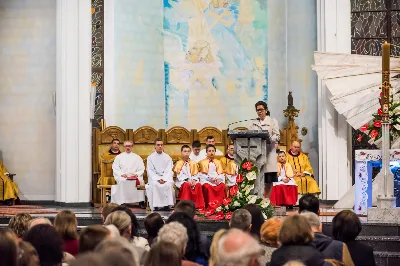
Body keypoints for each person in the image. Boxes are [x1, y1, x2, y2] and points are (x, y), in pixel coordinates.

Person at [248, 101, 280, 198]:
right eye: (258, 110)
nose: (259, 112)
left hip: (269, 151)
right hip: (257, 153)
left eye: (261, 109)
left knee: (269, 178)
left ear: (266, 110)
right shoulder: (253, 122)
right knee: (257, 177)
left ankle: (267, 201)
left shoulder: (272, 121)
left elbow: (277, 136)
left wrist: (269, 139)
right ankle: (258, 199)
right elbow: (248, 135)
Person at [111, 140, 145, 207]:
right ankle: (123, 201)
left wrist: (136, 174)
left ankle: (141, 201)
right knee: (123, 181)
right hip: (123, 176)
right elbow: (115, 168)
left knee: (141, 181)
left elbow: (141, 168)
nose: (127, 147)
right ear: (124, 147)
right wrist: (122, 174)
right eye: (126, 146)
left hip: (134, 176)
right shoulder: (119, 157)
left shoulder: (137, 157)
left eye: (129, 146)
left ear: (132, 147)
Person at [146, 138, 175, 211]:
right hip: (155, 178)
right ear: (155, 146)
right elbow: (150, 170)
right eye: (158, 145)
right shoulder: (150, 157)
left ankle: (166, 205)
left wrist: (164, 179)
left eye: (161, 145)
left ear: (163, 146)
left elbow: (169, 170)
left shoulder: (167, 157)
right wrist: (158, 179)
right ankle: (156, 206)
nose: (160, 146)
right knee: (155, 185)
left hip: (166, 177)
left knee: (168, 184)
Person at [174, 145, 205, 209]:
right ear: (181, 152)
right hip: (182, 181)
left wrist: (194, 180)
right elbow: (179, 175)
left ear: (190, 152)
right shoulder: (179, 163)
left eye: (188, 151)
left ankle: (198, 206)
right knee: (186, 185)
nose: (186, 153)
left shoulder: (193, 163)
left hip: (193, 181)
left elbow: (196, 174)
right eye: (185, 151)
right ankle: (185, 206)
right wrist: (187, 180)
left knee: (198, 185)